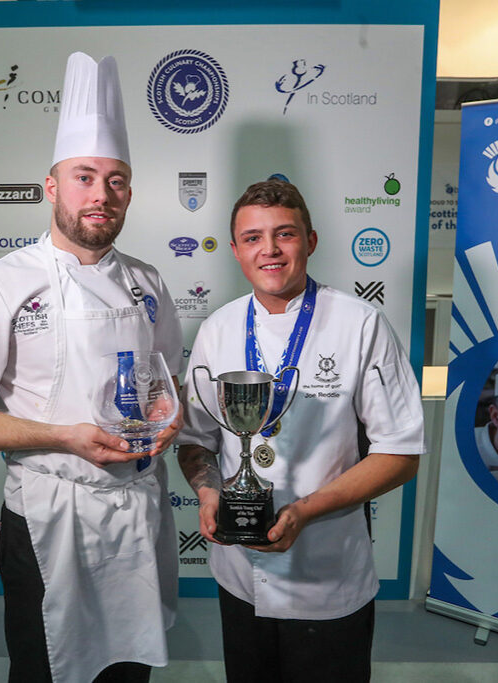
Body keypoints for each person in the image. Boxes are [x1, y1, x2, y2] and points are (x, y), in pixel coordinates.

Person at [0, 52, 184, 683]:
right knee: (46, 670)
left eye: (116, 180)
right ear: (52, 186)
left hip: (136, 511)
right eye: (84, 176)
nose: (101, 195)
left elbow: (163, 382)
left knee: (128, 670)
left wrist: (162, 415)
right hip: (48, 517)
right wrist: (62, 436)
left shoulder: (148, 282)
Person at [176, 179, 424, 683]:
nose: (269, 250)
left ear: (310, 241)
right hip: (240, 576)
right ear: (235, 251)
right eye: (252, 238)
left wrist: (303, 512)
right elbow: (196, 441)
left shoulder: (360, 324)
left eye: (284, 234)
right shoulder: (217, 329)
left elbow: (400, 453)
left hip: (328, 575)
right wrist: (207, 493)